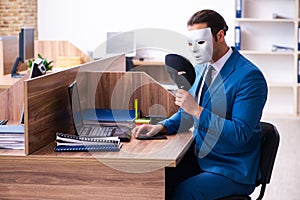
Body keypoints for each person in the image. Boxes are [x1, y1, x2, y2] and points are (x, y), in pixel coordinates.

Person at [132, 9, 268, 200]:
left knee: (182, 193)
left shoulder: (249, 77)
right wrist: (161, 127)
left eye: (201, 42)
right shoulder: (201, 68)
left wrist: (197, 110)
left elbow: (240, 134)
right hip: (202, 159)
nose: (194, 49)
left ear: (220, 36)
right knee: (153, 181)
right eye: (190, 43)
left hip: (231, 168)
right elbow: (187, 112)